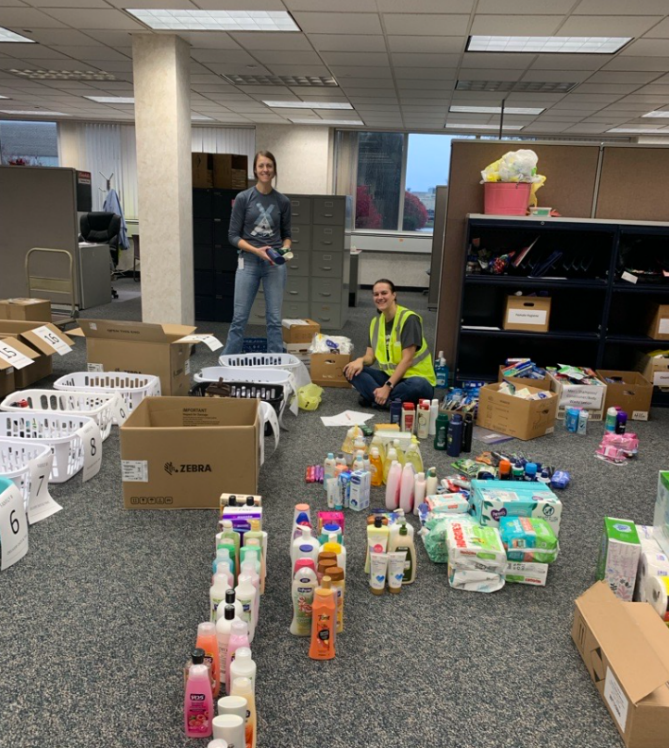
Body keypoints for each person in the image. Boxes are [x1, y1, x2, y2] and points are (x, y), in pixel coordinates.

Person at [223, 150, 292, 354]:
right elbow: (233, 236)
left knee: (273, 319)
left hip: (274, 264)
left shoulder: (283, 202)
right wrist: (256, 250)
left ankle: (276, 363)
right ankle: (229, 361)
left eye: (269, 166)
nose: (265, 169)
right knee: (239, 317)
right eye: (261, 166)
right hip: (249, 262)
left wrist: (285, 248)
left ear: (274, 170)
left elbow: (287, 234)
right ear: (255, 170)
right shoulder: (244, 198)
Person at [344, 279, 436, 407]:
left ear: (394, 295)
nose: (380, 297)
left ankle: (376, 398)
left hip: (416, 378)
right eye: (376, 294)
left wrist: (387, 387)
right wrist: (359, 360)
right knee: (350, 369)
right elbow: (370, 358)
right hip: (391, 377)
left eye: (384, 293)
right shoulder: (375, 323)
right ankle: (389, 401)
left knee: (418, 386)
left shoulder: (408, 319)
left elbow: (407, 360)